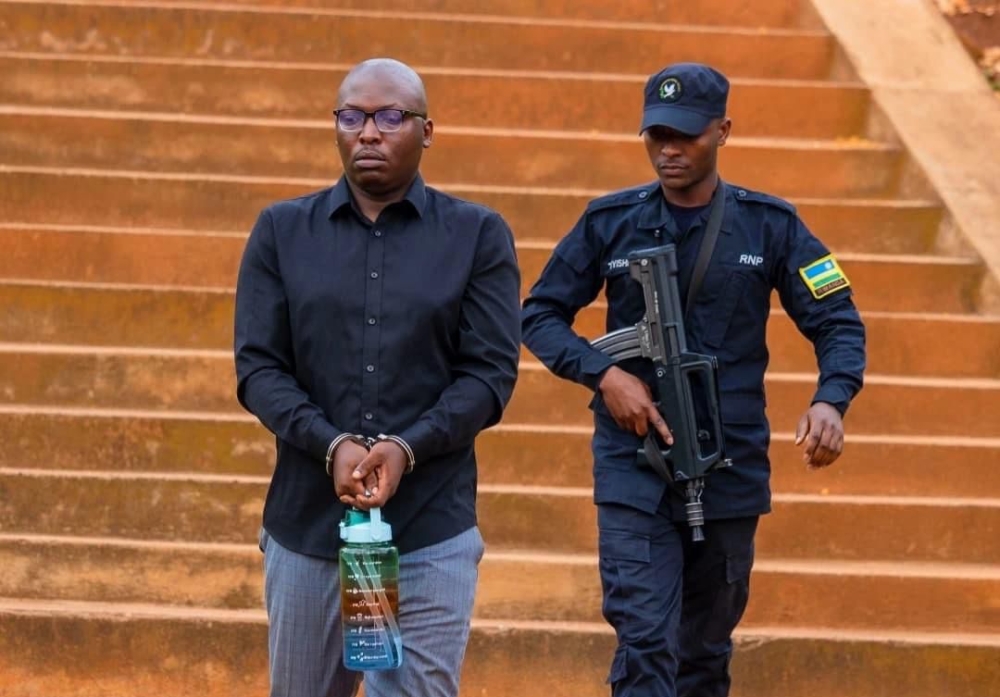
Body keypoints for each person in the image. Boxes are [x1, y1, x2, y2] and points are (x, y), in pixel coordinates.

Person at [521, 62, 866, 697]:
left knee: (703, 653)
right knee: (646, 640)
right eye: (656, 136)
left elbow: (838, 319)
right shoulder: (609, 222)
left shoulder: (772, 226)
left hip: (729, 463)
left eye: (686, 136)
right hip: (635, 464)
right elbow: (539, 314)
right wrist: (605, 376)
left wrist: (831, 399)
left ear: (723, 132)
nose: (669, 150)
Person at [234, 57, 521, 697]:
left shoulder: (477, 236)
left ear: (426, 131)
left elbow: (490, 375)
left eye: (391, 116)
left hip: (429, 530)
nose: (369, 131)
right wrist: (330, 444)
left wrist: (406, 447)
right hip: (308, 528)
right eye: (352, 116)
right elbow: (258, 368)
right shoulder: (281, 232)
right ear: (335, 126)